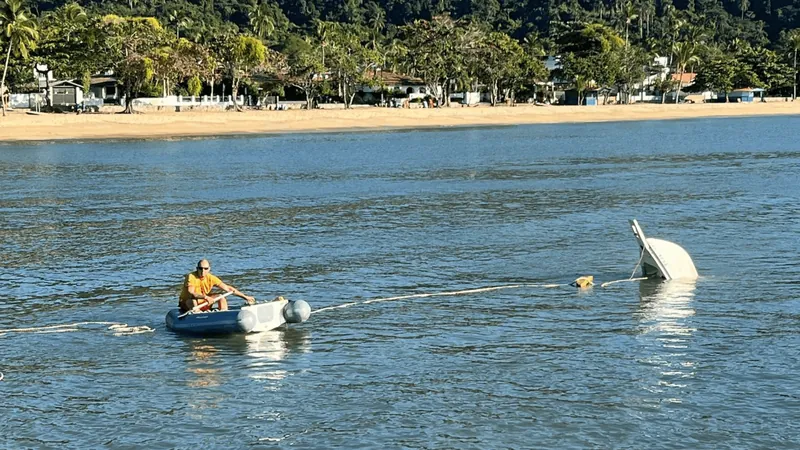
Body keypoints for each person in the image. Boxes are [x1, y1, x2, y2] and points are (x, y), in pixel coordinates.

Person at [179, 259, 255, 313]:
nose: (203, 271)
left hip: (204, 302)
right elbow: (191, 292)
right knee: (192, 300)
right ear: (197, 268)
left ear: (209, 269)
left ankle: (223, 314)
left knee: (220, 296)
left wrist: (245, 297)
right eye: (200, 268)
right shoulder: (191, 276)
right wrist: (205, 297)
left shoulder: (211, 278)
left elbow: (228, 288)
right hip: (188, 303)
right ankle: (197, 315)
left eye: (205, 269)